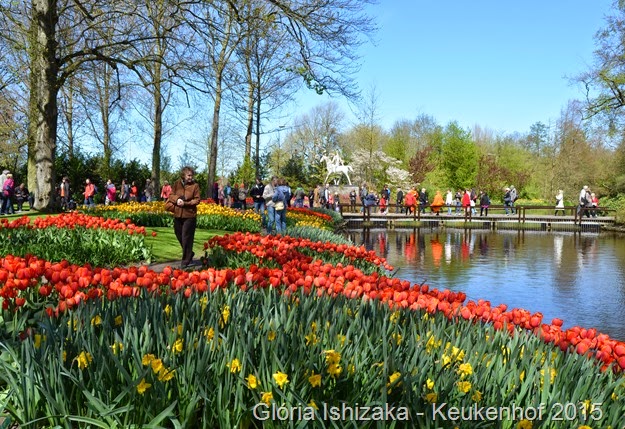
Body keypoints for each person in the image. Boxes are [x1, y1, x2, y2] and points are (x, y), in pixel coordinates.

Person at [168, 167, 201, 268]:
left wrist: (186, 203)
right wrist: (177, 200)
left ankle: (185, 261)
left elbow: (197, 200)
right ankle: (189, 253)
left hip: (189, 215)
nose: (190, 177)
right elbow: (171, 195)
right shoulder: (177, 183)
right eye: (189, 175)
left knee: (186, 237)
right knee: (178, 234)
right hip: (178, 214)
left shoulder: (195, 186)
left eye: (191, 175)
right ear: (184, 175)